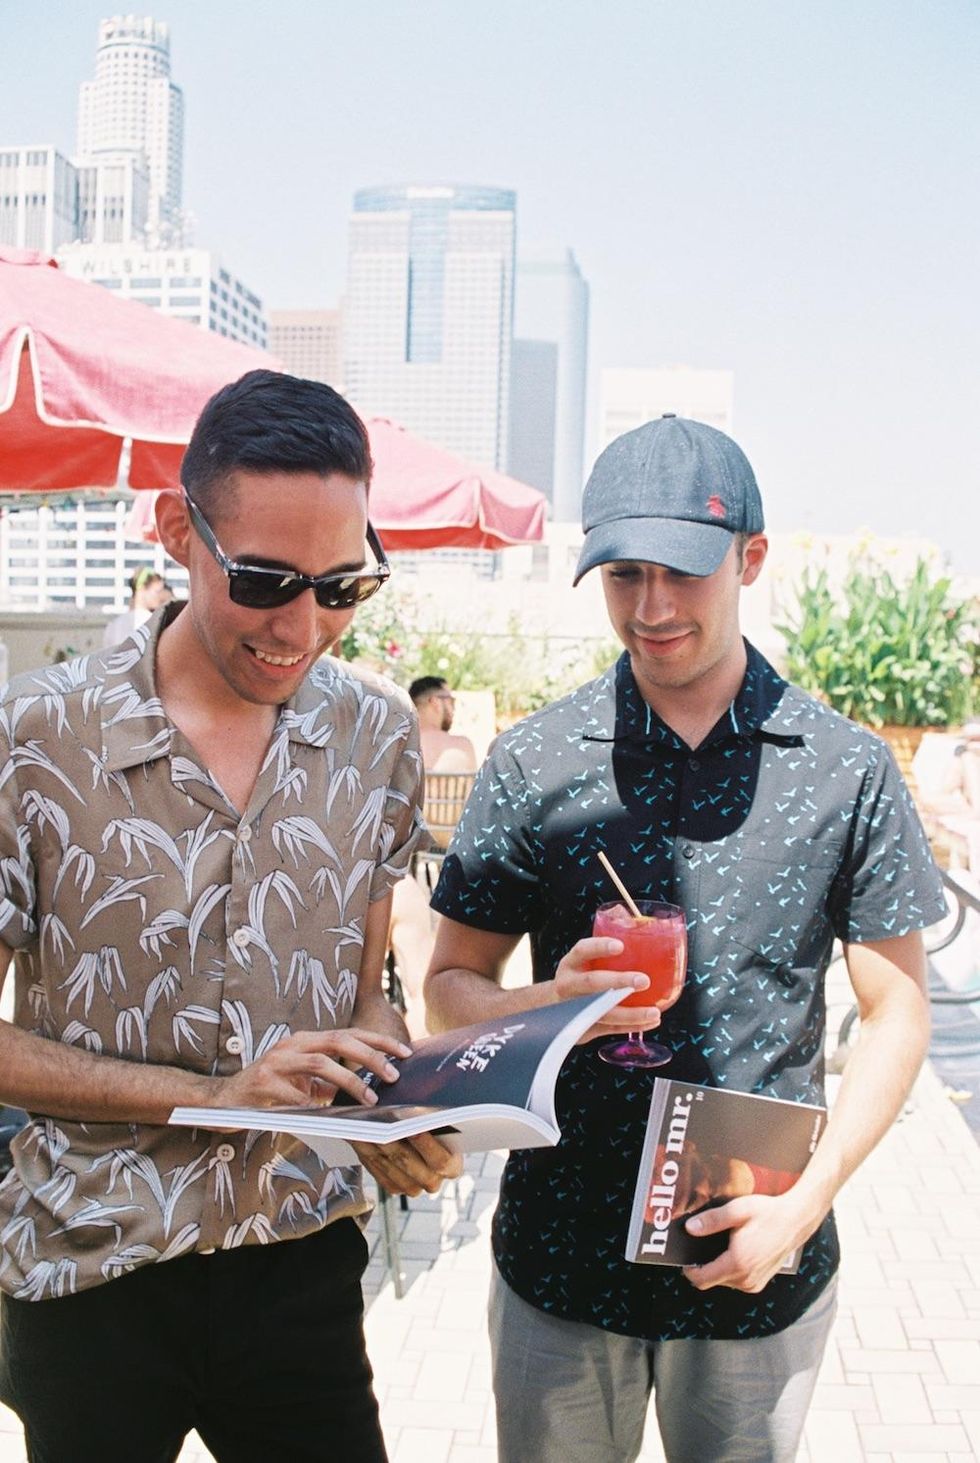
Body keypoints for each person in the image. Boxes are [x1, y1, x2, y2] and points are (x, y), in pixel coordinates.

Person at [424, 415, 946, 1463]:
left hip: (757, 1257)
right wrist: (546, 1005)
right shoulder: (534, 760)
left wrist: (809, 1202)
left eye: (683, 572)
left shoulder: (843, 767)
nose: (651, 607)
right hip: (561, 1258)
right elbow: (448, 986)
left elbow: (896, 1010)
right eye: (624, 575)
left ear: (751, 558)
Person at [0, 369, 460, 1463]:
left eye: (343, 587)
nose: (302, 626)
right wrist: (210, 1096)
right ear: (177, 530)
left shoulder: (376, 738)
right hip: (90, 1267)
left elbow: (362, 997)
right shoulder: (34, 739)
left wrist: (401, 1106)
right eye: (263, 579)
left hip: (301, 1260)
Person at [409, 675, 477, 773]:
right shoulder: (461, 745)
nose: (454, 708)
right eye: (451, 701)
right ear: (435, 702)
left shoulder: (397, 746)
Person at [102, 565, 171, 647]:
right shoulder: (154, 623)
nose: (160, 596)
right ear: (142, 589)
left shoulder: (113, 626)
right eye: (157, 591)